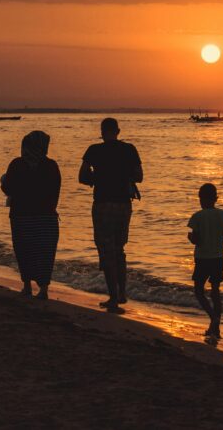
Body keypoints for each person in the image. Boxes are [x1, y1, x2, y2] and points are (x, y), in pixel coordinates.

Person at [79, 117, 143, 314]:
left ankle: (113, 297)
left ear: (101, 131)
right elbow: (139, 176)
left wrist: (97, 178)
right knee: (119, 248)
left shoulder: (94, 151)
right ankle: (122, 292)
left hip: (103, 204)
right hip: (124, 205)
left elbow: (82, 176)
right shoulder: (129, 149)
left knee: (106, 250)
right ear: (118, 131)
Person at [0, 130, 61, 300]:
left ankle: (27, 286)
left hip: (21, 216)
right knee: (44, 253)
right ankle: (43, 289)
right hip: (46, 217)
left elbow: (8, 189)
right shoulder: (51, 166)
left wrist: (4, 181)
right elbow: (55, 192)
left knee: (24, 251)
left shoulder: (17, 164)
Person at [187, 183, 223, 339]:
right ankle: (216, 328)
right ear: (216, 198)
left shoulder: (198, 216)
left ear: (201, 199)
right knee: (215, 291)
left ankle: (213, 318)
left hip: (202, 259)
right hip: (218, 259)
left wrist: (191, 238)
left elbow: (196, 241)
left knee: (199, 291)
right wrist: (217, 237)